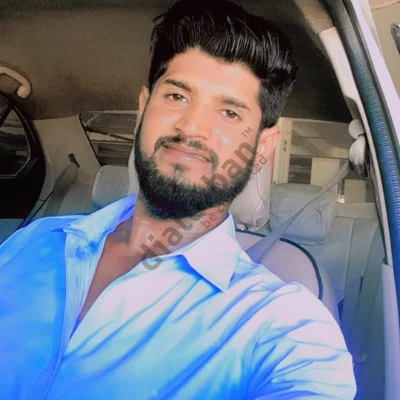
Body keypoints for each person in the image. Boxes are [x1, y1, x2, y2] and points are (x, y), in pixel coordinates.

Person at [0, 0, 356, 399]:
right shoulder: (34, 240)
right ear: (143, 108)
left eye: (230, 113)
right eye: (176, 96)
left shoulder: (281, 324)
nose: (192, 128)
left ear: (262, 147)